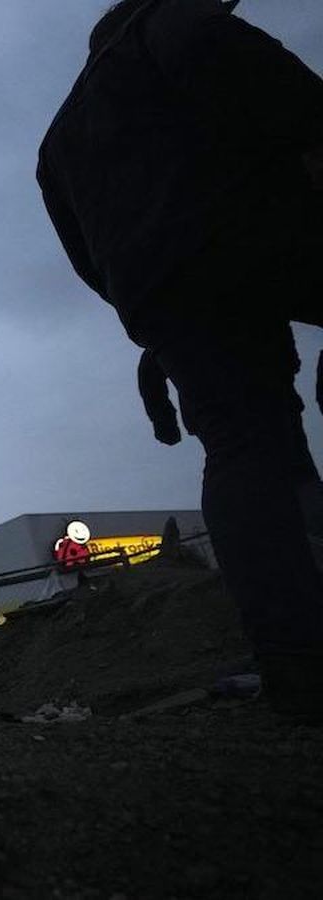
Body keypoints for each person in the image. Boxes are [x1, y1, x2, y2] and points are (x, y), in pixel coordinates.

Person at [38, 0, 323, 719]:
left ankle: (294, 660)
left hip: (164, 299)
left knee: (246, 445)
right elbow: (301, 109)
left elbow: (86, 258)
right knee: (263, 444)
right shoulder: (180, 28)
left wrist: (154, 325)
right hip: (254, 246)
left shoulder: (58, 139)